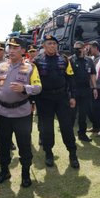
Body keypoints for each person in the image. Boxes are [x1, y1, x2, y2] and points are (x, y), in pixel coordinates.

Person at [0, 37, 41, 187]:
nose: (11, 50)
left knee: (24, 145)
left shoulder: (31, 68)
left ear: (23, 51)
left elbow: (38, 88)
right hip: (2, 113)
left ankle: (25, 174)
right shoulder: (1, 67)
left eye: (15, 47)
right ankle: (4, 171)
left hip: (22, 114)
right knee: (3, 145)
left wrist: (25, 88)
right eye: (10, 47)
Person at [33, 34, 79, 169]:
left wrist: (72, 97)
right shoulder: (36, 61)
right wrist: (33, 102)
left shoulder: (64, 60)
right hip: (44, 100)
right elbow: (34, 82)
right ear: (43, 46)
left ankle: (73, 154)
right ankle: (48, 153)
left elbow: (70, 79)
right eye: (49, 43)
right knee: (46, 129)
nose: (52, 46)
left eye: (54, 43)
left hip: (62, 98)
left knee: (67, 127)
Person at [70, 41, 97, 142]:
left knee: (83, 114)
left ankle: (82, 134)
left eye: (79, 48)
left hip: (85, 90)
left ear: (84, 48)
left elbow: (92, 75)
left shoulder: (89, 60)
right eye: (75, 48)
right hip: (74, 91)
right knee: (72, 114)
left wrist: (94, 88)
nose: (77, 50)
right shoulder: (70, 60)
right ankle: (70, 135)